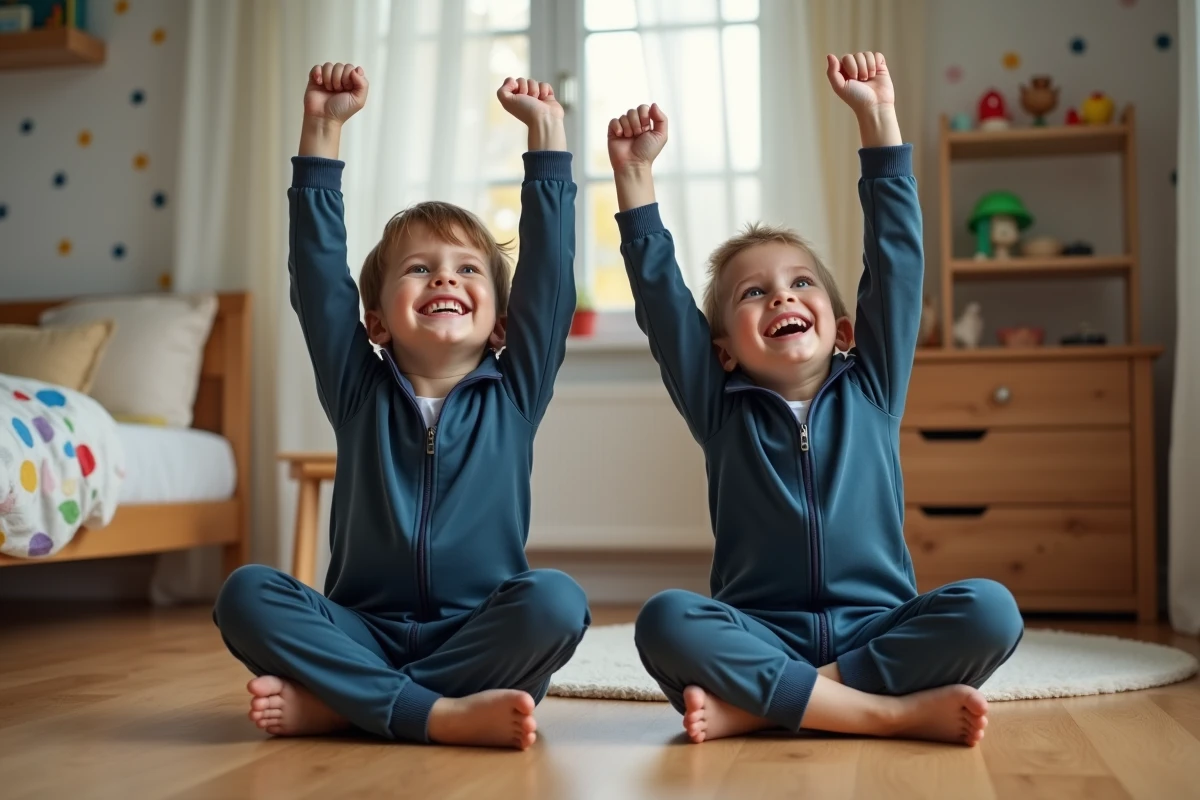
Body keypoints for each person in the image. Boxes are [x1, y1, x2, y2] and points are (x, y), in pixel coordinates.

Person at [608, 52, 1023, 746]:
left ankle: (780, 705)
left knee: (992, 611)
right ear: (723, 350)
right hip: (758, 632)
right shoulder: (719, 403)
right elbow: (662, 302)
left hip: (875, 626)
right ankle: (887, 712)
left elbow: (896, 259)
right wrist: (633, 176)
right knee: (665, 622)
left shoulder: (873, 383)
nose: (782, 296)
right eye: (754, 293)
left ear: (844, 329)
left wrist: (875, 116)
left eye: (802, 284)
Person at [213, 62, 588, 750]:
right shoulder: (358, 386)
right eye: (420, 268)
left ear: (502, 324)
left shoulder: (516, 388)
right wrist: (322, 130)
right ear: (378, 321)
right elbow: (318, 280)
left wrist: (548, 138)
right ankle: (435, 713)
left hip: (479, 635)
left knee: (557, 602)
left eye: (467, 268)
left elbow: (550, 279)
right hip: (363, 629)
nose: (445, 274)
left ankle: (346, 707)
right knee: (245, 593)